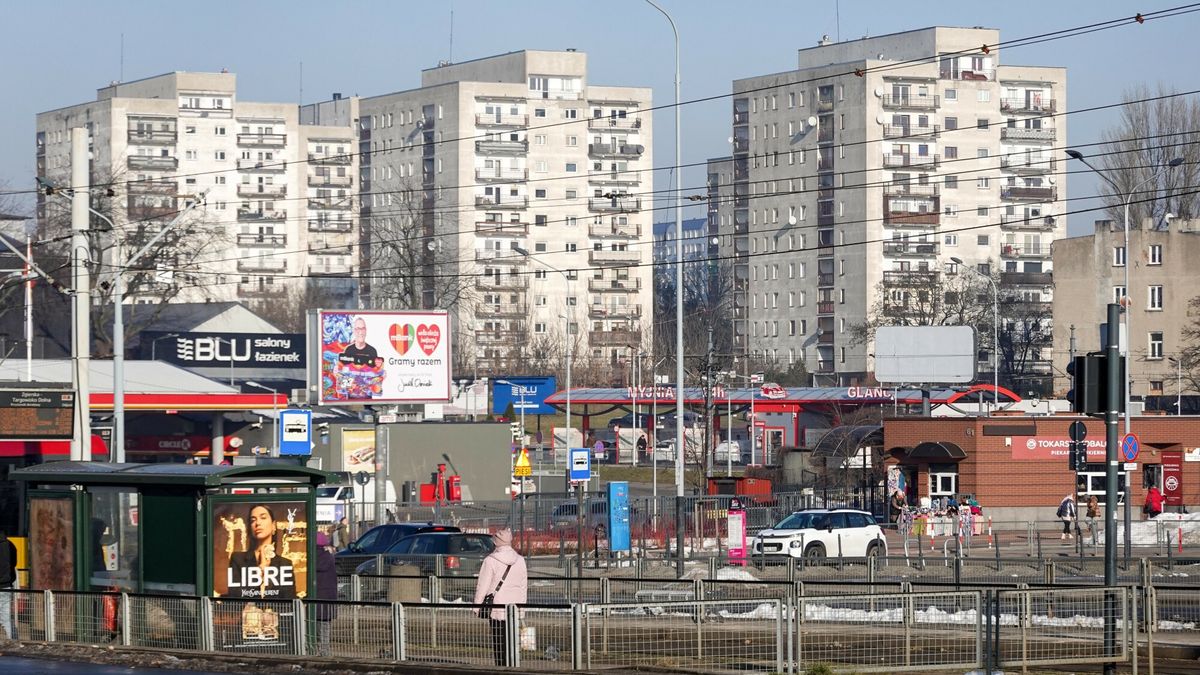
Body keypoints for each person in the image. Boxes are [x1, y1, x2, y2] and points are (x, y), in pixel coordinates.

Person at [473, 528, 527, 667]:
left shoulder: (490, 561)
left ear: (496, 543)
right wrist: (521, 609)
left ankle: (501, 667)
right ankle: (513, 666)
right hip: (514, 608)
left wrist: (477, 606)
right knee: (512, 641)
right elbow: (523, 586)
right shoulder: (520, 560)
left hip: (497, 608)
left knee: (499, 642)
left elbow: (482, 586)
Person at [227, 504, 296, 600]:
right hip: (248, 613)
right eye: (253, 520)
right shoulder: (238, 559)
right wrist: (259, 573)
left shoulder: (285, 564)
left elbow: (289, 601)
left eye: (263, 518)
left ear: (273, 526)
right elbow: (234, 596)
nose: (258, 523)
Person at [313, 532, 337, 656]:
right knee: (325, 628)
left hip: (315, 598)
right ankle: (325, 652)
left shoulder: (310, 558)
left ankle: (314, 650)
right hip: (328, 597)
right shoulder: (329, 558)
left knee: (313, 627)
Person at [0, 531, 16, 640]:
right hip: (6, 585)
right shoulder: (10, 545)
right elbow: (14, 563)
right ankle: (10, 640)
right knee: (6, 617)